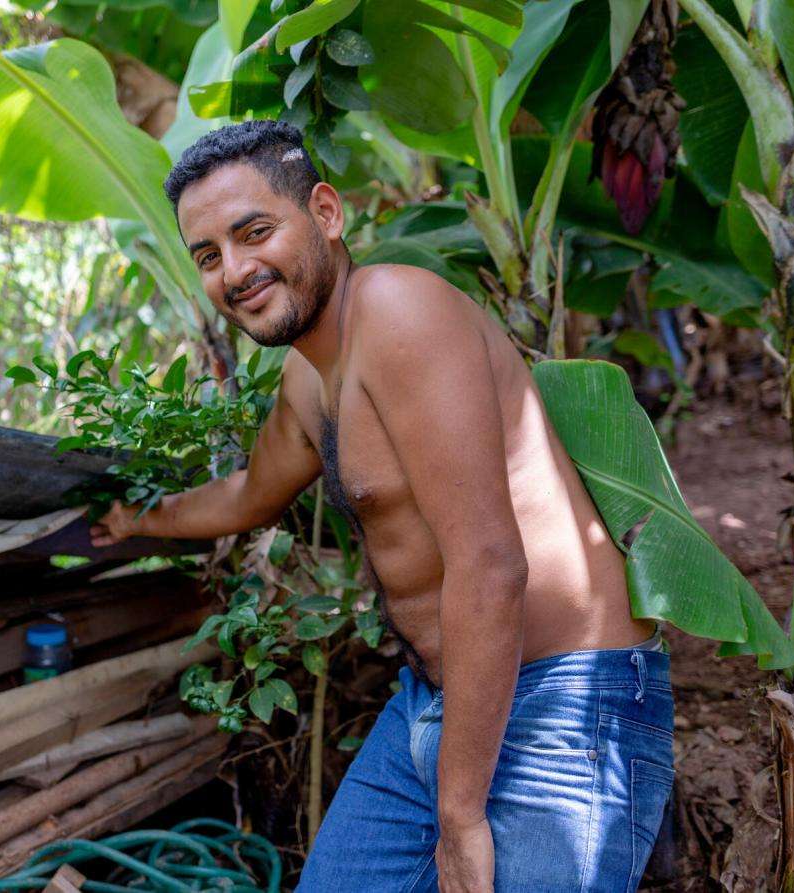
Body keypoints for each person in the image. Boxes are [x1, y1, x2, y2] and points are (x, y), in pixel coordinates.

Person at [90, 120, 675, 893]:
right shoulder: (308, 378)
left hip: (566, 700)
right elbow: (251, 493)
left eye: (253, 232)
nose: (234, 270)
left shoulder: (402, 312)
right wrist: (140, 519)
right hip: (436, 703)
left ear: (326, 214)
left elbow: (491, 563)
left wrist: (459, 816)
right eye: (208, 256)